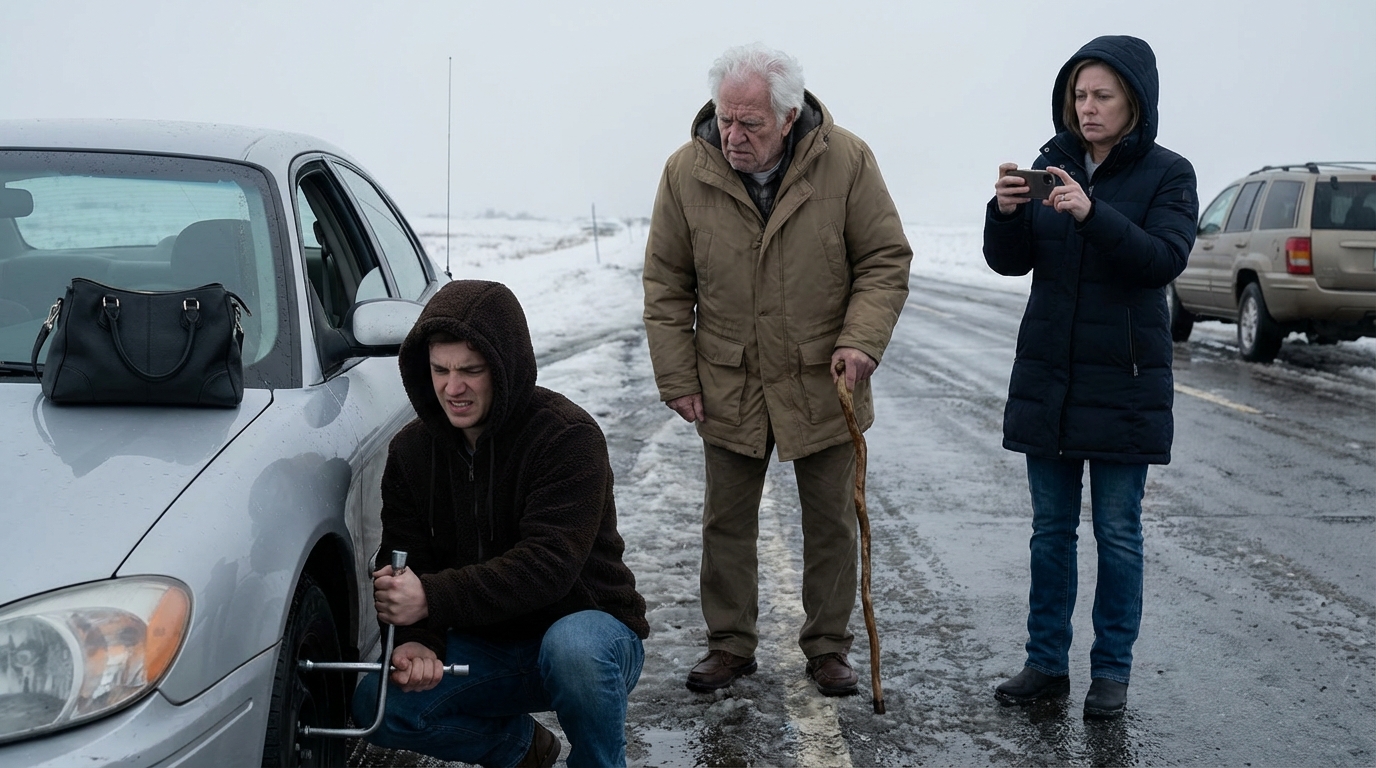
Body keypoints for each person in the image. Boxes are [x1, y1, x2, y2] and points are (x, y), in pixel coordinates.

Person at [643, 43, 912, 696]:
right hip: (728, 377)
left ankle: (828, 648)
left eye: (751, 125)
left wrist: (862, 342)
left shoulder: (847, 162)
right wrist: (677, 377)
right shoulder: (685, 171)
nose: (733, 136)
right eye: (726, 120)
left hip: (823, 378)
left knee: (830, 522)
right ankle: (730, 645)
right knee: (725, 523)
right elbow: (666, 283)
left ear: (789, 117)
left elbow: (883, 258)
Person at [984, 35, 1198, 719]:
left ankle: (1111, 672)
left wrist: (1092, 212)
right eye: (1080, 95)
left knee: (1118, 531)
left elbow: (1162, 259)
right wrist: (1006, 212)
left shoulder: (1169, 173)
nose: (1088, 107)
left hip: (1125, 383)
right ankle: (1045, 664)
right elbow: (1009, 264)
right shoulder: (1052, 163)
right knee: (1050, 531)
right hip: (1051, 378)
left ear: (1134, 100)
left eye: (1102, 95)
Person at [352, 280, 649, 768]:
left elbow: (548, 565)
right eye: (440, 371)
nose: (453, 388)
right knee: (377, 706)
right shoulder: (411, 451)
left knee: (573, 649)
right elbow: (407, 561)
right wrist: (418, 640)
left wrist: (430, 596)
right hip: (484, 648)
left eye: (471, 370)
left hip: (586, 636)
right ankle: (523, 750)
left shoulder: (567, 437)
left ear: (505, 368)